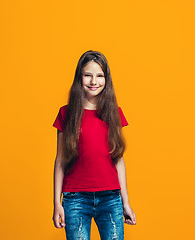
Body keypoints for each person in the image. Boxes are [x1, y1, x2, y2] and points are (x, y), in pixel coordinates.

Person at [52, 50, 136, 240]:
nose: (94, 81)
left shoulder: (114, 113)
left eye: (99, 76)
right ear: (79, 78)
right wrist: (57, 203)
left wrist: (126, 202)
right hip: (75, 199)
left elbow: (119, 159)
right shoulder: (66, 114)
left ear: (106, 80)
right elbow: (60, 161)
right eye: (88, 75)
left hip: (111, 198)